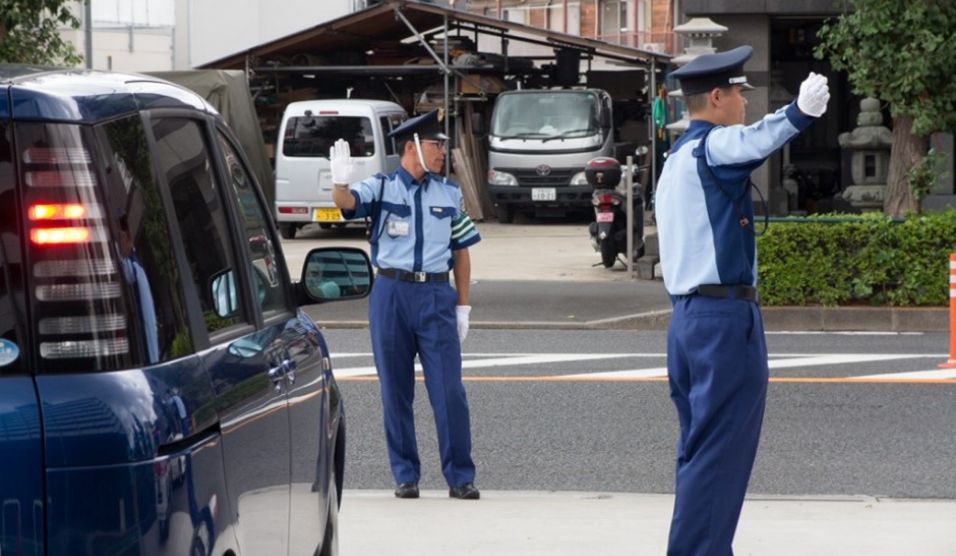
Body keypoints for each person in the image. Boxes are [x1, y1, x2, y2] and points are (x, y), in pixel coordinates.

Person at [655, 46, 829, 555]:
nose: (744, 103)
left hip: (689, 321)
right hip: (722, 319)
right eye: (737, 93)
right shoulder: (711, 147)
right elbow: (752, 141)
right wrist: (798, 114)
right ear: (715, 96)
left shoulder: (676, 158)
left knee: (701, 453)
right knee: (720, 456)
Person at [329, 109, 482, 500]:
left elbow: (462, 251)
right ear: (412, 147)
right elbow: (347, 203)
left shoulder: (448, 193)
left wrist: (462, 305)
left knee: (448, 391)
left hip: (434, 294)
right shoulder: (381, 188)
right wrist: (339, 182)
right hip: (391, 294)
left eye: (443, 146)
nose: (443, 152)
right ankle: (405, 474)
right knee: (394, 391)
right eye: (437, 145)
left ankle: (460, 476)